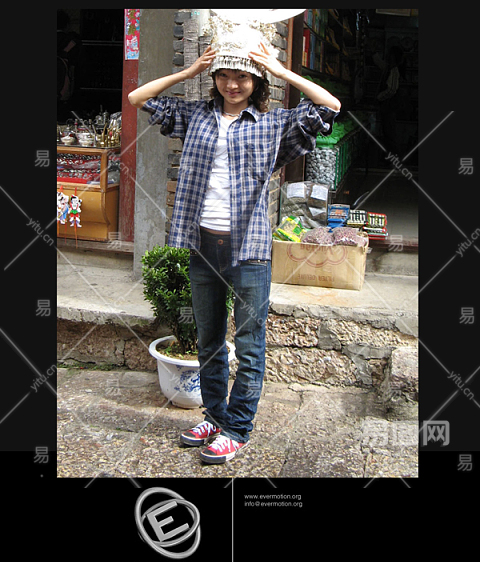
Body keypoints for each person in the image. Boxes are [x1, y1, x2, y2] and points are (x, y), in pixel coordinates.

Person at [129, 29, 340, 465]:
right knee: (208, 340)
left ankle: (238, 428)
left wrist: (280, 70)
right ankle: (215, 416)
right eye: (224, 75)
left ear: (256, 82)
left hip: (249, 250)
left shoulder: (273, 124)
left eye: (242, 77)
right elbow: (137, 97)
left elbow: (330, 106)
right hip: (202, 244)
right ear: (214, 78)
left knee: (249, 343)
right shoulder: (195, 116)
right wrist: (189, 70)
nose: (232, 84)